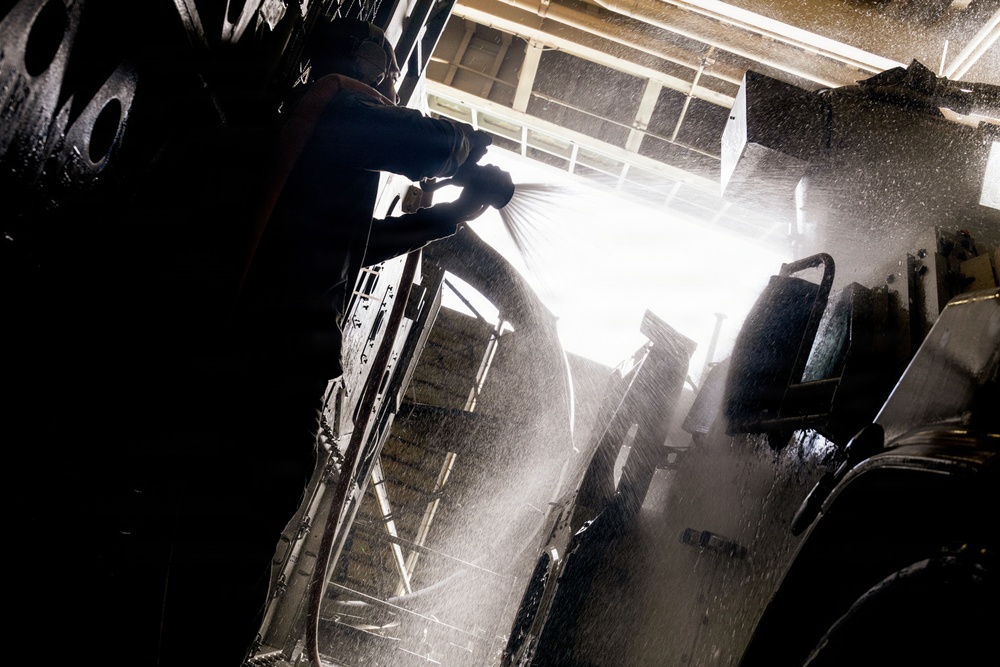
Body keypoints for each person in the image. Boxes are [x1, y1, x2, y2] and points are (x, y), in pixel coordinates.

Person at [154, 17, 515, 666]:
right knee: (238, 531)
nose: (395, 82)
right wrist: (473, 154)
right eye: (389, 66)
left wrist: (449, 217)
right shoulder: (334, 104)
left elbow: (358, 247)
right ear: (362, 63)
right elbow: (434, 145)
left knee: (246, 528)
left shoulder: (321, 134)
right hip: (261, 363)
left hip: (268, 362)